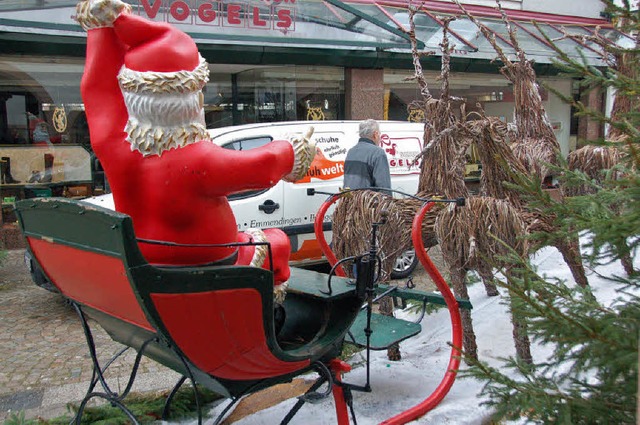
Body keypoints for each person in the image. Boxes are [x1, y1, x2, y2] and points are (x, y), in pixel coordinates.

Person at [75, 0, 316, 303]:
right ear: (192, 93)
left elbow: (97, 90)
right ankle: (265, 316)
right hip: (208, 266)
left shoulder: (116, 144)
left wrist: (100, 30)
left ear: (132, 92)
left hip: (148, 263)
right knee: (277, 242)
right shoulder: (197, 158)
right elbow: (264, 167)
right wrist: (294, 150)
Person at [343, 119, 391, 192]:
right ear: (375, 134)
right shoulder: (378, 153)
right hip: (368, 201)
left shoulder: (351, 152)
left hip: (350, 200)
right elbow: (384, 188)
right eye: (379, 134)